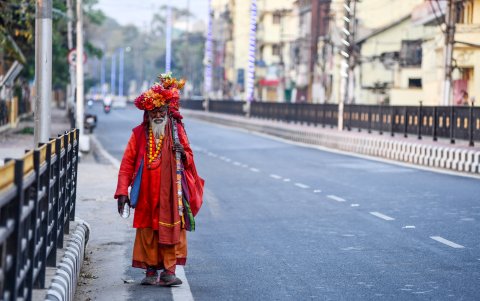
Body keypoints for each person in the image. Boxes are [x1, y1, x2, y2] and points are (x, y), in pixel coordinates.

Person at [114, 73, 204, 286]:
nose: (157, 115)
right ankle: (151, 271)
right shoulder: (138, 134)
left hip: (171, 194)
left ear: (167, 112)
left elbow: (190, 158)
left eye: (161, 111)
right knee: (147, 232)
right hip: (146, 193)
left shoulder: (176, 131)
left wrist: (182, 152)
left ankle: (169, 271)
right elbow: (127, 164)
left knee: (171, 229)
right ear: (147, 113)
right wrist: (122, 193)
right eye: (153, 111)